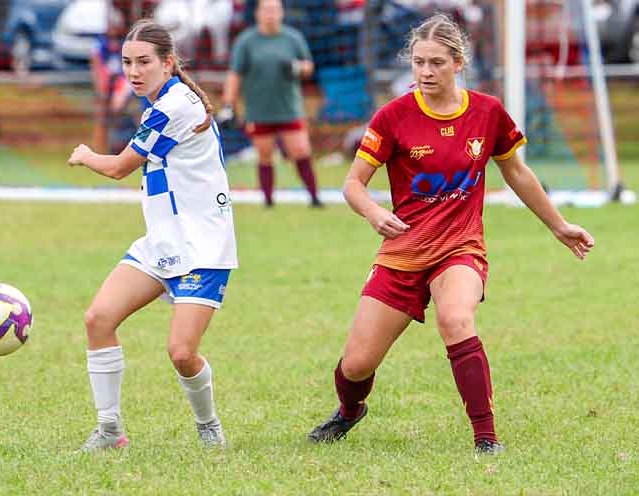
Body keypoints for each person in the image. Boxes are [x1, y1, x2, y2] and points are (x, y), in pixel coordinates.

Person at [306, 13, 594, 454]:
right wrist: (371, 212)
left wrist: (559, 225)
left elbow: (517, 171)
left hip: (460, 247)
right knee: (357, 363)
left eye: (436, 63)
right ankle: (349, 410)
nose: (424, 72)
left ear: (458, 62)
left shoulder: (487, 112)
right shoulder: (394, 116)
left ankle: (486, 438)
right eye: (418, 62)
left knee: (456, 319)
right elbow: (352, 184)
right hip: (402, 252)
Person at [67, 19, 238, 452]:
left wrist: (87, 155)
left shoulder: (174, 107)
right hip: (164, 241)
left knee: (182, 352)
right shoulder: (164, 103)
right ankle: (109, 431)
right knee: (98, 319)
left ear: (168, 62)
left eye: (144, 62)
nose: (134, 71)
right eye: (127, 63)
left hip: (203, 248)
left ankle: (209, 426)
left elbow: (120, 167)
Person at [219, 0, 322, 208]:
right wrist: (228, 104)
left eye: (275, 10)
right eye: (266, 10)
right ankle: (268, 201)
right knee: (265, 155)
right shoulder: (246, 41)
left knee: (301, 150)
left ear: (282, 13)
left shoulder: (293, 37)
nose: (271, 14)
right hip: (259, 110)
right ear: (257, 13)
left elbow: (309, 67)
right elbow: (235, 74)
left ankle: (314, 197)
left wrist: (297, 68)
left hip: (289, 108)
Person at [91, 9, 134, 154]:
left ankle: (123, 142)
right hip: (108, 81)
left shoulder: (125, 43)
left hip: (122, 81)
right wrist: (101, 86)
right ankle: (101, 148)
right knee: (102, 113)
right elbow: (97, 66)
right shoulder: (100, 44)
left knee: (117, 106)